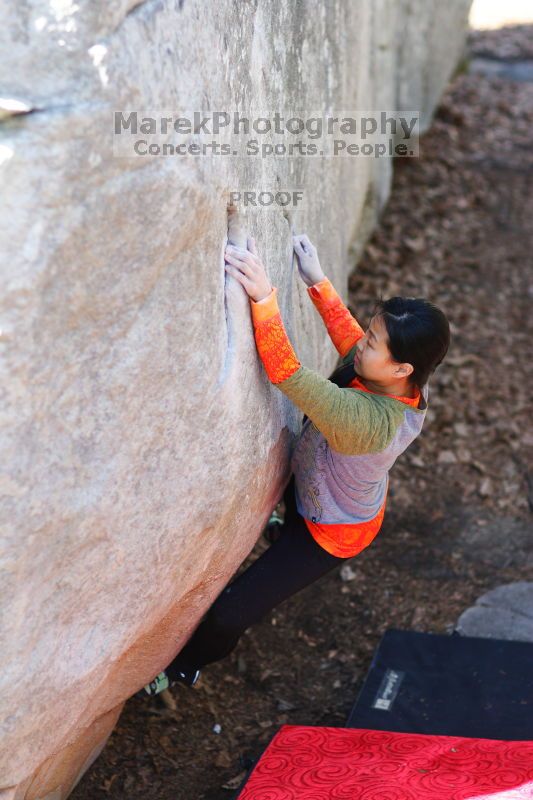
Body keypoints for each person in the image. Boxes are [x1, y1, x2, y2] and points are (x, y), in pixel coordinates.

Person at [140, 219, 450, 697]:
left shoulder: (369, 423)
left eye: (374, 342)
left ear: (402, 368)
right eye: (371, 333)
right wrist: (317, 281)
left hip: (330, 531)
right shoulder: (402, 379)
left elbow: (287, 372)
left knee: (231, 613)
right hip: (319, 480)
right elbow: (351, 342)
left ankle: (185, 667)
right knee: (297, 487)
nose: (363, 343)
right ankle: (282, 521)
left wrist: (264, 298)